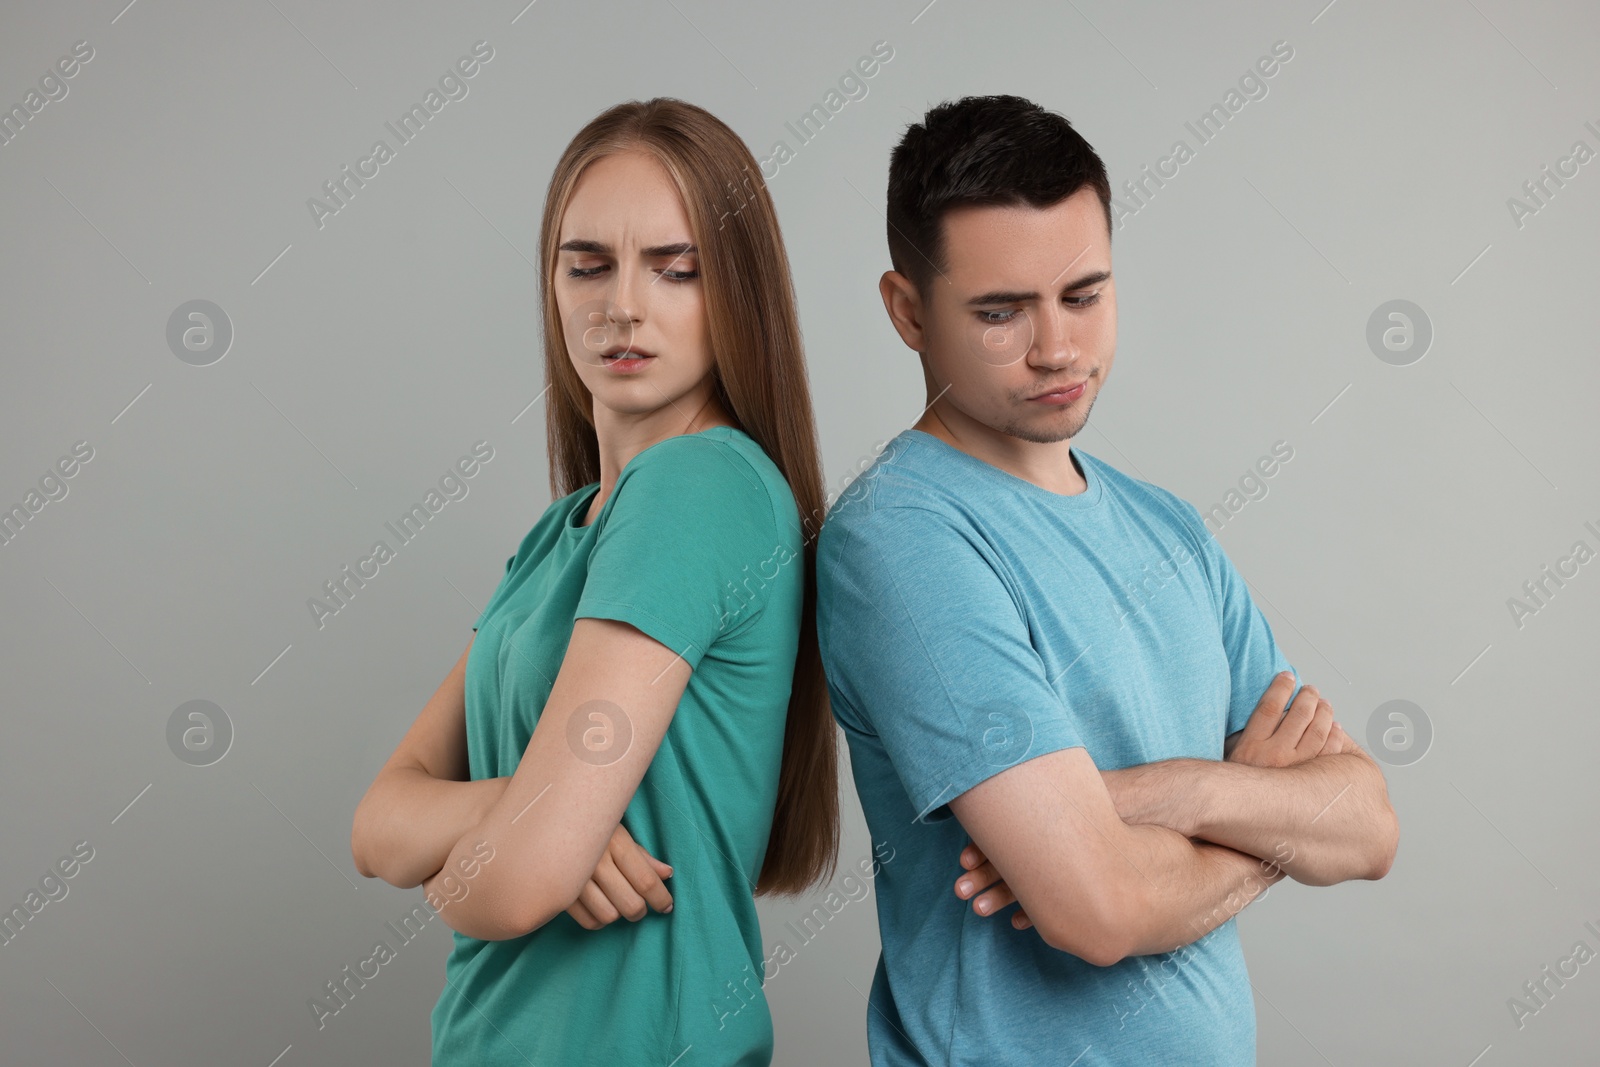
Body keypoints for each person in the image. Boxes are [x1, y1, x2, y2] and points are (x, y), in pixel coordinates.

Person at [814, 94, 1399, 1066]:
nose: (1056, 347)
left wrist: (1153, 792)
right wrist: (1262, 820)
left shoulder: (1166, 526)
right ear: (907, 310)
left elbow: (1367, 826)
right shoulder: (900, 540)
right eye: (1000, 311)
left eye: (1083, 295)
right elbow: (1095, 908)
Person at [349, 97, 839, 1066]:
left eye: (676, 267)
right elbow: (376, 820)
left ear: (735, 290)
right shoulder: (557, 532)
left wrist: (500, 849)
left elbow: (504, 887)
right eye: (587, 264)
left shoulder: (700, 485)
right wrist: (514, 809)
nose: (623, 303)